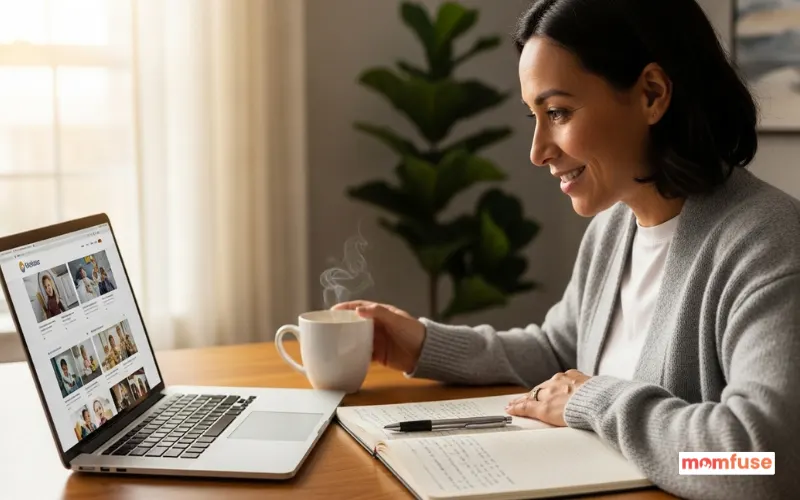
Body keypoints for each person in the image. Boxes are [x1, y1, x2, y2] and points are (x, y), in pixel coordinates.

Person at [335, 1, 800, 499]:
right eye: (534, 116)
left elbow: (760, 461)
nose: (538, 151)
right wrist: (424, 345)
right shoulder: (612, 229)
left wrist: (593, 400)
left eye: (557, 112)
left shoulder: (769, 244)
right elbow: (558, 352)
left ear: (652, 94)